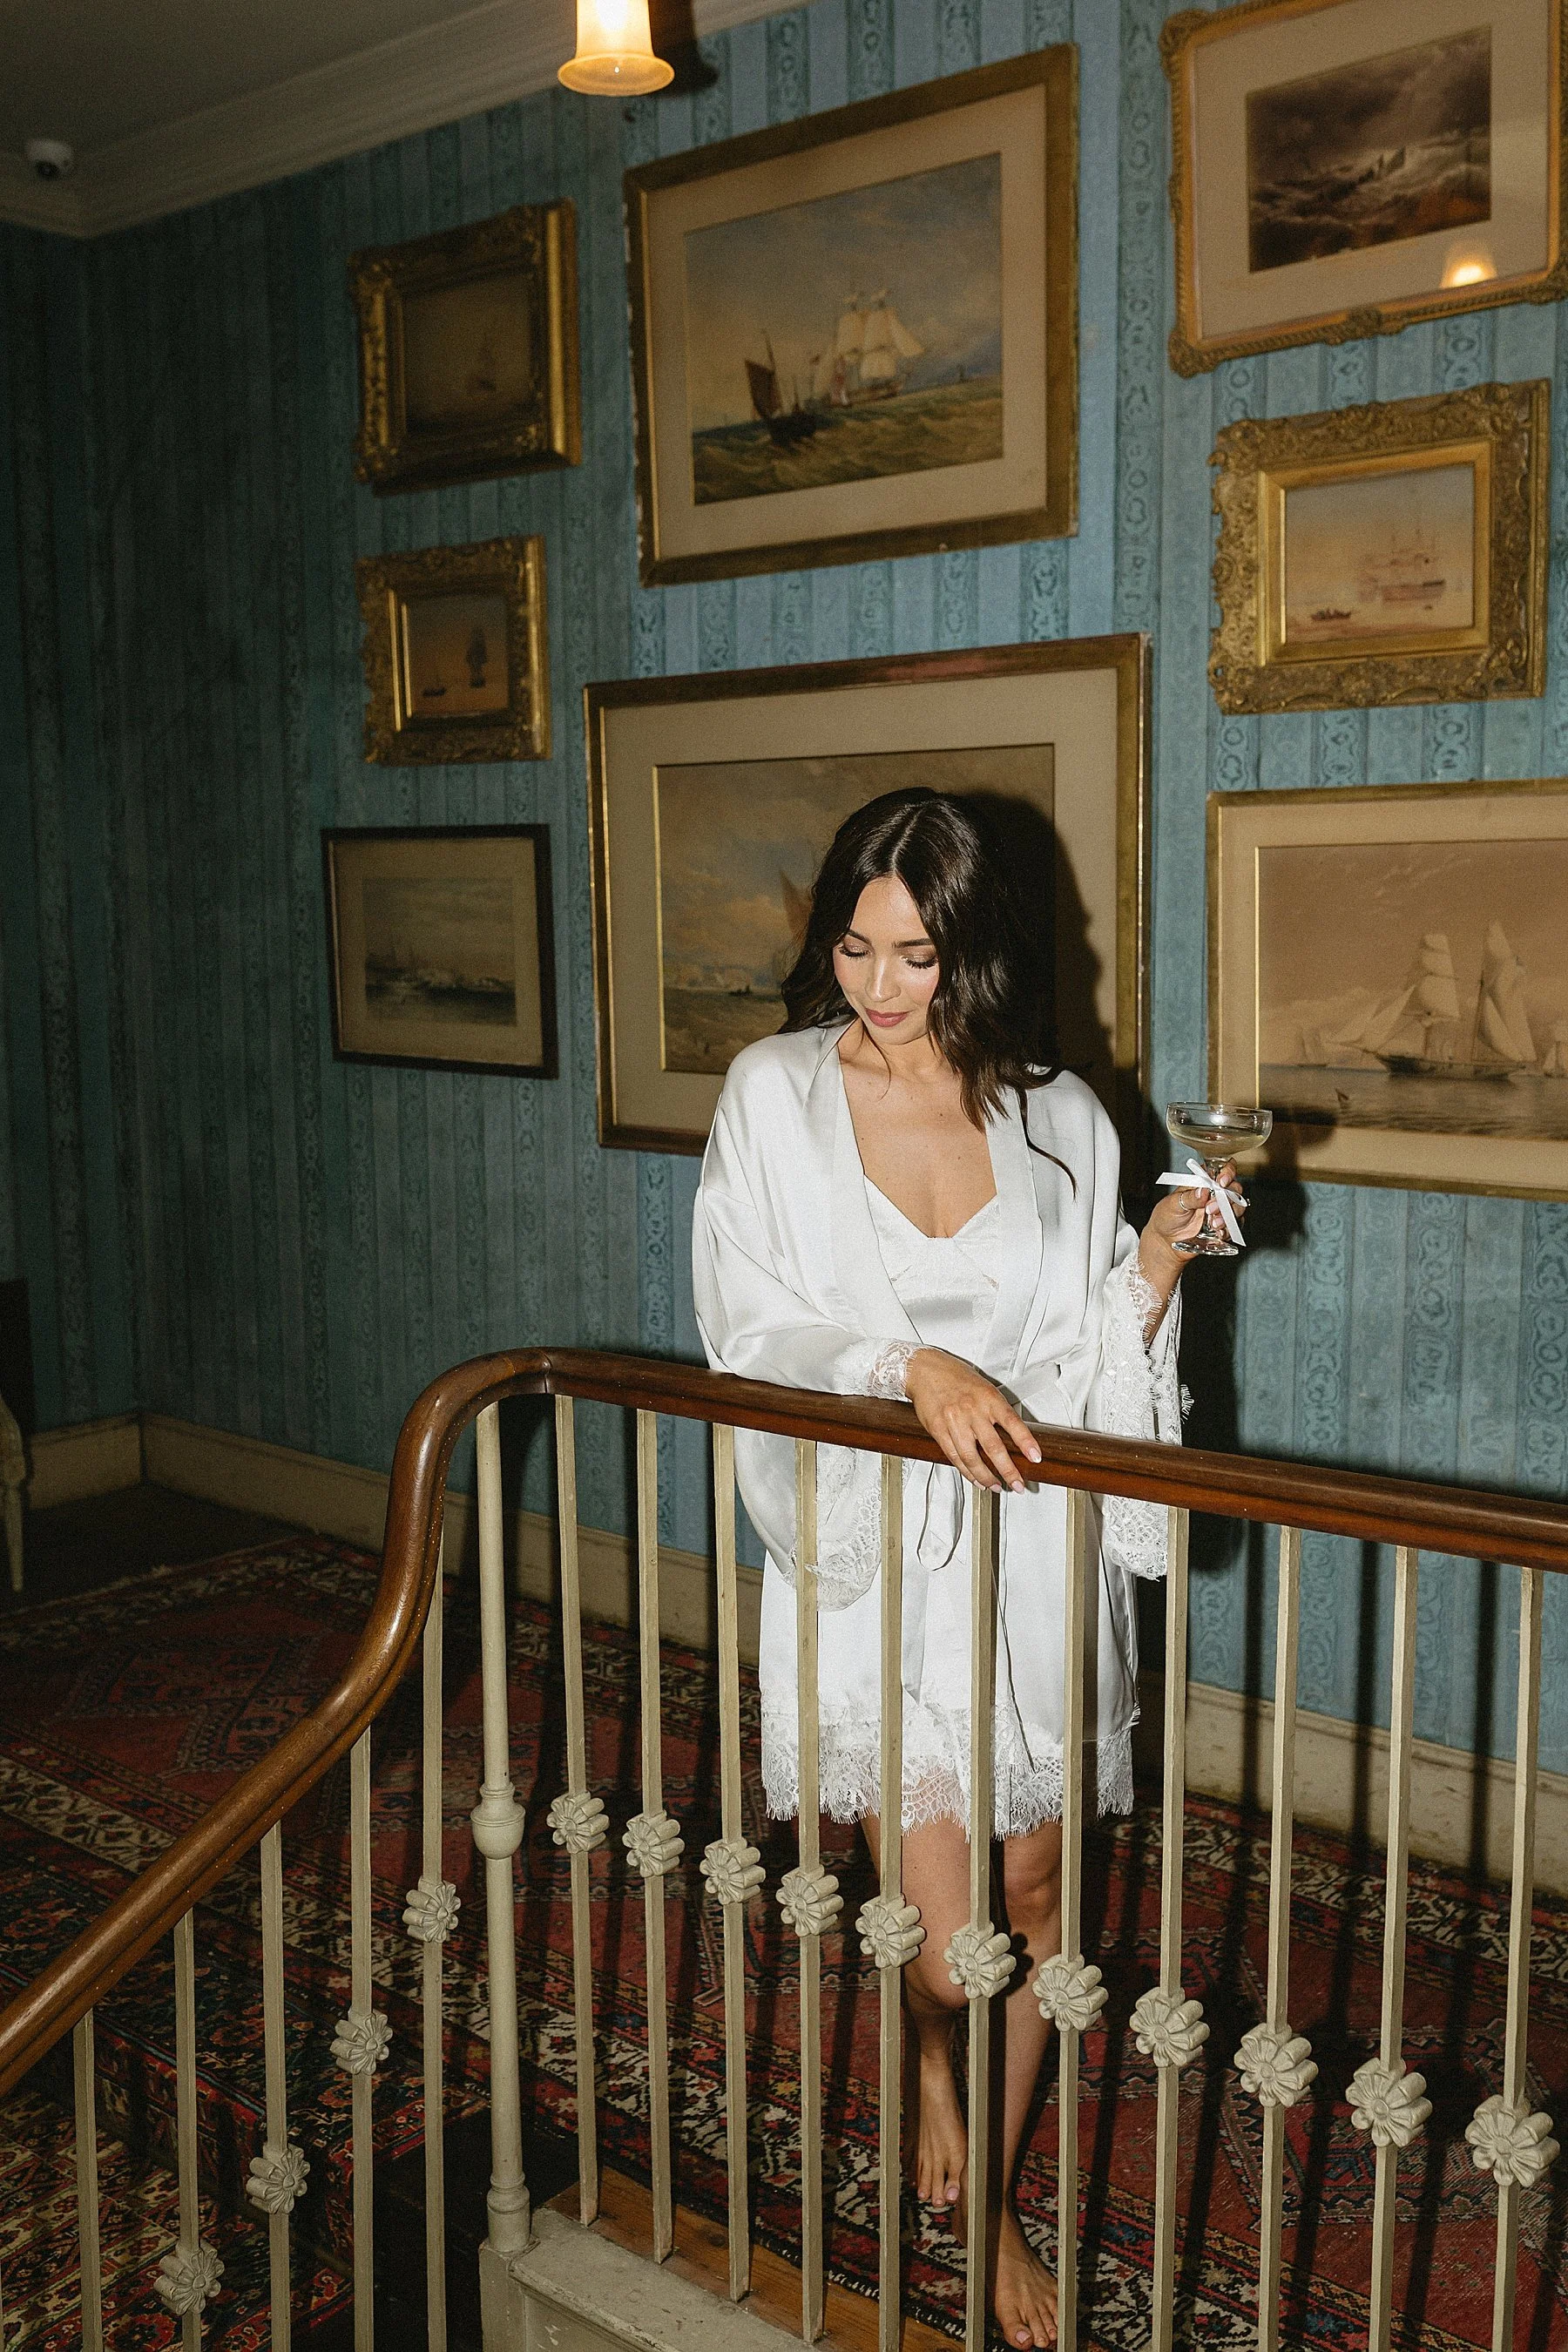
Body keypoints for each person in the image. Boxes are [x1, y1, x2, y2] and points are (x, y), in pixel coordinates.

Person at [691, 790, 1230, 2351]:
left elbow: (1073, 1359)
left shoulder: (1063, 1117)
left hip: (1033, 1551)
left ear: (973, 955)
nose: (875, 985)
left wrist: (1160, 1257)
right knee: (940, 1943)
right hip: (882, 1557)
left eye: (914, 955)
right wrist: (902, 1363)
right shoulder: (775, 1094)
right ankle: (927, 2052)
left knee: (1041, 1897)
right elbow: (748, 1324)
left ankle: (988, 2203)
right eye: (854, 947)